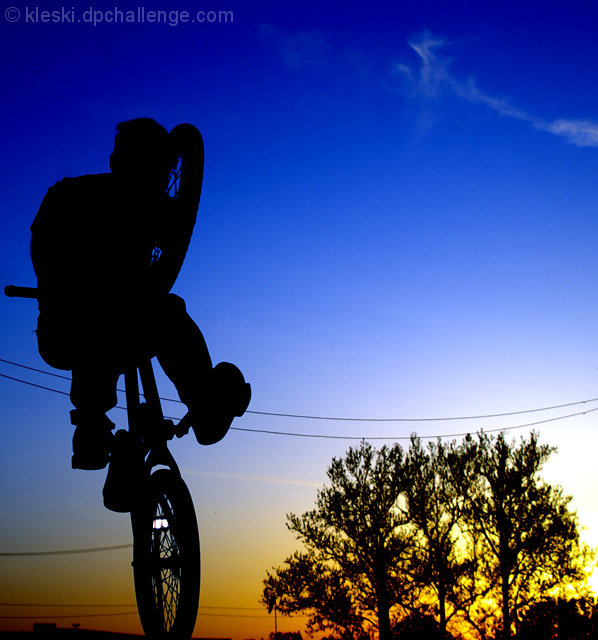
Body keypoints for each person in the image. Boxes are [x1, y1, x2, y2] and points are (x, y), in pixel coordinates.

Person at [30, 117, 250, 470]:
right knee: (166, 313)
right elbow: (172, 251)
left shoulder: (63, 194)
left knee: (99, 332)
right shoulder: (152, 207)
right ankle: (202, 404)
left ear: (116, 160)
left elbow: (41, 256)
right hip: (111, 326)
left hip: (60, 335)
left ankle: (90, 427)